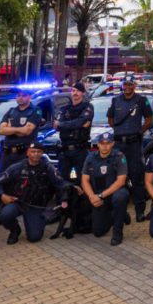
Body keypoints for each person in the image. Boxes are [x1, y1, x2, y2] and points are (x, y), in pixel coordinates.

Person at [0, 86, 43, 229]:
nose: (20, 97)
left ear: (30, 97)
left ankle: (19, 215)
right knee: (1, 182)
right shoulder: (10, 111)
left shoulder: (35, 111)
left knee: (23, 184)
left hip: (23, 154)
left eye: (24, 95)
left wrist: (11, 129)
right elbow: (1, 130)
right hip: (7, 154)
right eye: (18, 95)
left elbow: (27, 131)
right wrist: (18, 129)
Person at [0, 140, 69, 244]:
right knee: (5, 215)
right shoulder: (17, 167)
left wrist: (73, 187)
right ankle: (15, 230)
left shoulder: (48, 168)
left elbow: (60, 182)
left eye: (38, 151)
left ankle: (39, 220)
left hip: (36, 205)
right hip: (18, 202)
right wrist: (2, 195)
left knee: (34, 237)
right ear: (27, 153)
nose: (36, 154)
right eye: (33, 151)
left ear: (42, 153)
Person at [106, 76, 153, 222]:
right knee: (118, 177)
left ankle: (140, 211)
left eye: (130, 84)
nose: (127, 87)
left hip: (134, 144)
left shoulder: (141, 100)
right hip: (119, 144)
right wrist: (119, 131)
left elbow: (149, 118)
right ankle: (122, 212)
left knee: (137, 177)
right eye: (125, 84)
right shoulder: (116, 100)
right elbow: (110, 119)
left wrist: (139, 131)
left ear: (134, 86)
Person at [53, 82, 95, 237]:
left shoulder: (88, 107)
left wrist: (64, 125)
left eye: (78, 91)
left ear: (83, 93)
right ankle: (61, 210)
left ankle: (82, 215)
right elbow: (57, 125)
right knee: (62, 182)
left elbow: (78, 123)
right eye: (73, 90)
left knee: (81, 182)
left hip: (80, 151)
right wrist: (75, 125)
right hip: (65, 151)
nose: (75, 93)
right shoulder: (64, 108)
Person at [81, 131, 130, 245]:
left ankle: (117, 233)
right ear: (98, 144)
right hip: (98, 195)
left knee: (120, 197)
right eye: (102, 143)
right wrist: (92, 197)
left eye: (108, 143)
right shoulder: (90, 157)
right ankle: (120, 214)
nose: (105, 146)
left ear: (112, 144)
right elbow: (84, 180)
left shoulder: (119, 156)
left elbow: (121, 181)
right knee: (98, 232)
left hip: (113, 193)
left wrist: (100, 196)